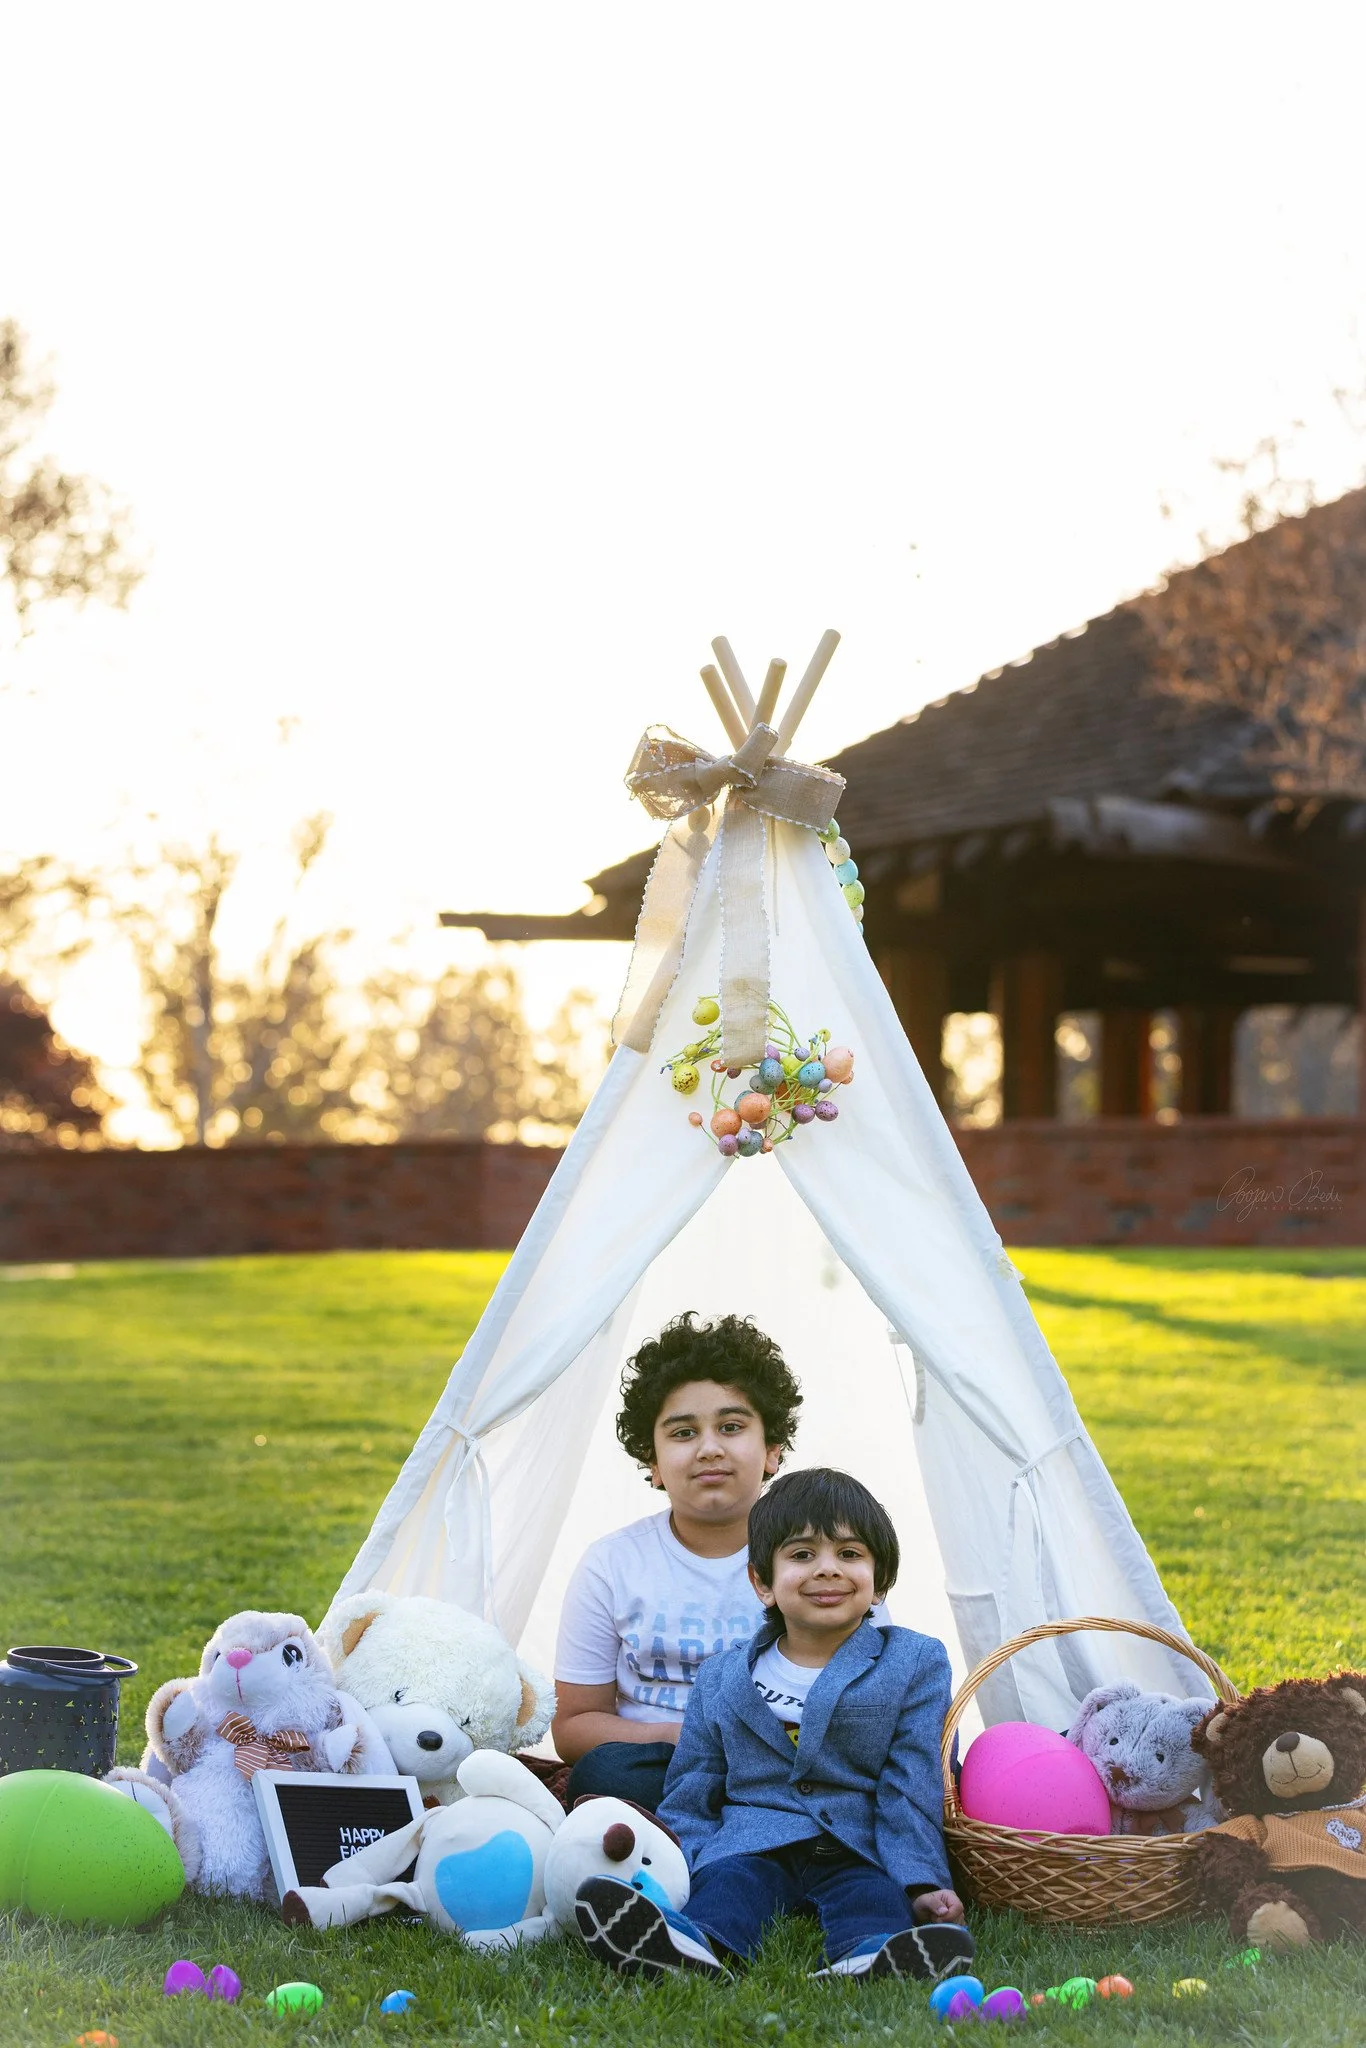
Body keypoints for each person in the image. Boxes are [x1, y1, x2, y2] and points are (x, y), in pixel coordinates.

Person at [574, 1467, 974, 1984]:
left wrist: (921, 1882)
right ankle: (686, 1946)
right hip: (750, 1840)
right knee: (727, 1887)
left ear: (880, 1581)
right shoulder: (723, 1675)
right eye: (802, 1554)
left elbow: (910, 1782)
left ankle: (876, 1957)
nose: (827, 1569)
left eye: (850, 1554)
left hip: (857, 1844)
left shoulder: (914, 1662)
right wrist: (683, 1866)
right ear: (762, 1581)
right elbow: (694, 1782)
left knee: (874, 1898)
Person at [551, 1312, 803, 1811]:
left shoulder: (817, 1560)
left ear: (772, 1449)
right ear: (653, 1462)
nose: (709, 1448)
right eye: (683, 1433)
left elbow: (872, 1688)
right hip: (657, 1766)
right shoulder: (612, 1565)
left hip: (782, 1759)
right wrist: (682, 1735)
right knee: (602, 1773)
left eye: (731, 1427)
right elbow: (574, 1726)